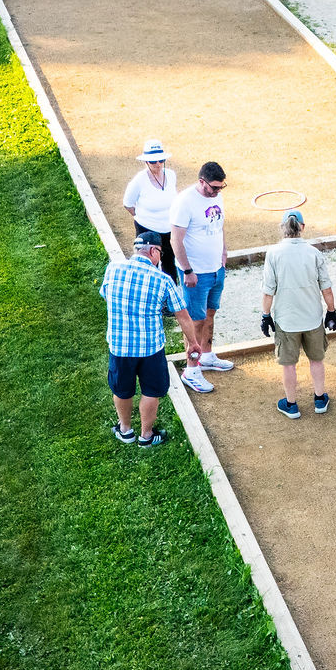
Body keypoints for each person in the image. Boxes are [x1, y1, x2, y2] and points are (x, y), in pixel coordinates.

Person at [100, 231, 190, 448]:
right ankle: (146, 436)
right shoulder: (163, 280)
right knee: (151, 391)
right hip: (151, 348)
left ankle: (125, 430)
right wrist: (193, 343)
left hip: (120, 345)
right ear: (153, 251)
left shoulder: (113, 269)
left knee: (122, 389)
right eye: (160, 252)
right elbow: (182, 315)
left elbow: (105, 295)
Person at [259, 209, 336, 419]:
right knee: (317, 360)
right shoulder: (314, 253)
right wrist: (331, 311)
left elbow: (268, 290)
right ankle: (320, 399)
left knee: (288, 364)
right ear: (302, 227)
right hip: (312, 318)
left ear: (282, 227)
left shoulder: (273, 253)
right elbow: (326, 288)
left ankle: (291, 404)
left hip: (287, 320)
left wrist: (265, 315)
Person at [171, 161, 233, 394]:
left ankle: (206, 356)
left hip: (216, 269)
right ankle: (191, 369)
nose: (217, 191)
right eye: (213, 187)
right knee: (195, 320)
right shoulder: (185, 202)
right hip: (195, 273)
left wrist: (224, 252)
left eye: (220, 187)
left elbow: (220, 226)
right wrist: (187, 270)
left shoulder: (217, 197)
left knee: (210, 313)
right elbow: (175, 240)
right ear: (201, 182)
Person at [121, 140, 180, 283]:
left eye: (161, 160)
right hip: (147, 229)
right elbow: (128, 204)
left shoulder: (171, 175)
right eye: (153, 161)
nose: (158, 164)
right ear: (146, 162)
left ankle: (170, 290)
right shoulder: (139, 181)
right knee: (148, 264)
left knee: (169, 262)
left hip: (169, 229)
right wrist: (143, 217)